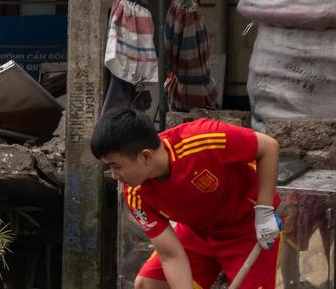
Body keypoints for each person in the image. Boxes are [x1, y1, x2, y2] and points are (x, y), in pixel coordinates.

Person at [91, 108, 283, 289]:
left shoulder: (203, 138)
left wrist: (265, 212)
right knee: (149, 284)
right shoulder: (135, 193)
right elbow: (170, 255)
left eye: (116, 166)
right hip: (197, 231)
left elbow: (268, 147)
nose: (114, 175)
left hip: (250, 227)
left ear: (146, 157)